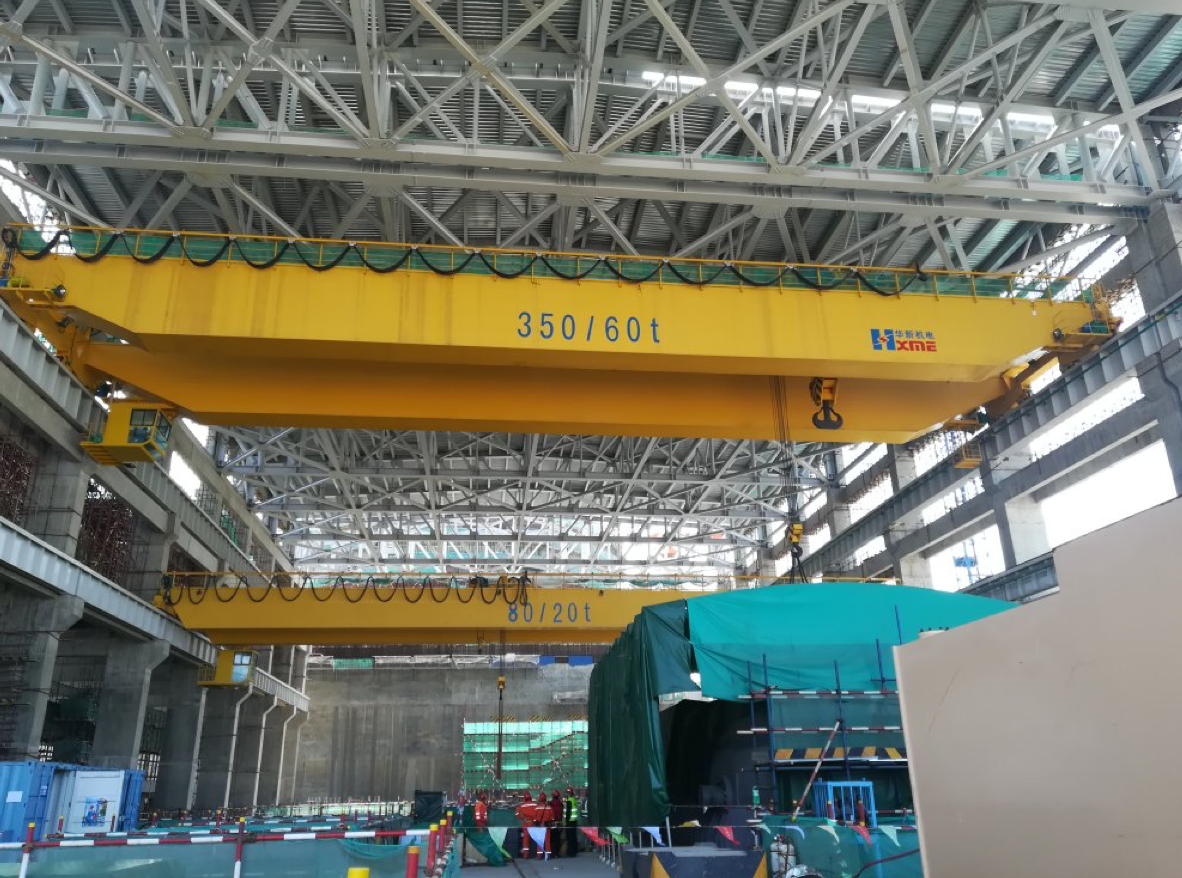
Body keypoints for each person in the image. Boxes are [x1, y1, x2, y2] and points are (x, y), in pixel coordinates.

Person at [533, 787, 553, 859]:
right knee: (547, 841)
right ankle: (548, 855)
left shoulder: (537, 807)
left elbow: (534, 818)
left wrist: (536, 822)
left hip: (539, 826)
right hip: (547, 826)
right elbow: (552, 818)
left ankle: (539, 856)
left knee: (539, 841)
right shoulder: (549, 807)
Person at [515, 792, 535, 859]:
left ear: (524, 798)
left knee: (525, 839)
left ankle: (525, 855)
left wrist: (522, 818)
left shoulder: (522, 805)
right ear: (530, 797)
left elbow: (517, 814)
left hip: (526, 823)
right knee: (535, 838)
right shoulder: (535, 804)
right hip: (534, 824)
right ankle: (534, 854)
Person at [564, 787, 580, 858]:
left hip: (569, 821)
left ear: (568, 793)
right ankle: (574, 851)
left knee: (570, 837)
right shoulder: (574, 800)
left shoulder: (569, 801)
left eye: (567, 793)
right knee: (573, 836)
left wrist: (566, 822)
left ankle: (571, 852)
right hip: (574, 821)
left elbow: (568, 813)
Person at [549, 790, 564, 856]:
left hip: (552, 823)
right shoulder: (561, 804)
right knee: (558, 838)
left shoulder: (550, 804)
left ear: (553, 796)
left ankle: (553, 853)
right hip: (559, 823)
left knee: (552, 838)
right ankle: (557, 853)